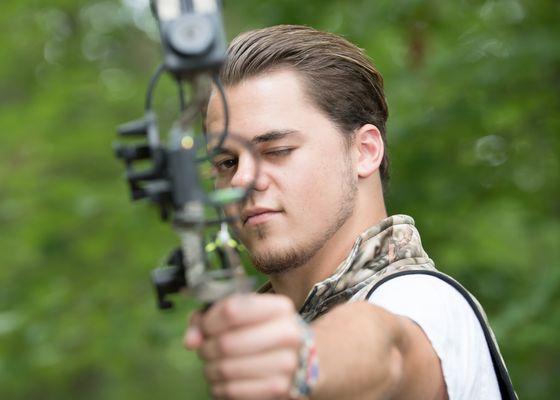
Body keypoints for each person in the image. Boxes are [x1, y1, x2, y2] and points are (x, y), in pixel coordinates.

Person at [184, 25, 516, 400]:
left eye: (276, 150)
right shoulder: (279, 331)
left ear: (364, 151)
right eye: (226, 162)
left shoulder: (424, 301)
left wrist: (299, 359)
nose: (243, 179)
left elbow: (387, 352)